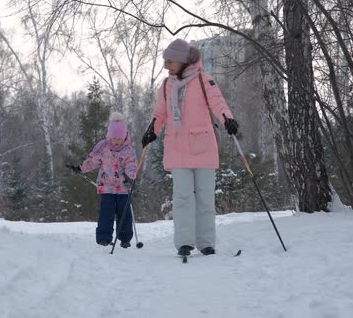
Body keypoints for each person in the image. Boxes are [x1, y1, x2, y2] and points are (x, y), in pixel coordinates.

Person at [141, 38, 239, 257]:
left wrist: (228, 120)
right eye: (165, 61)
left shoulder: (205, 81)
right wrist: (152, 130)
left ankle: (206, 243)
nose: (166, 66)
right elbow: (160, 114)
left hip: (203, 147)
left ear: (183, 61)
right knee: (183, 198)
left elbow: (218, 104)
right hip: (177, 147)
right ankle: (185, 242)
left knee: (205, 198)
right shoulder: (167, 86)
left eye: (170, 61)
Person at [67, 112, 138, 248]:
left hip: (123, 188)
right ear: (109, 136)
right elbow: (92, 162)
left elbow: (132, 165)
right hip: (106, 187)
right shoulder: (103, 149)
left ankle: (124, 238)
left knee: (124, 214)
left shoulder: (128, 150)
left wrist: (130, 176)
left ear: (124, 137)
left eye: (119, 138)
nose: (116, 141)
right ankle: (104, 238)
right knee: (106, 213)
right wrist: (80, 168)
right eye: (114, 138)